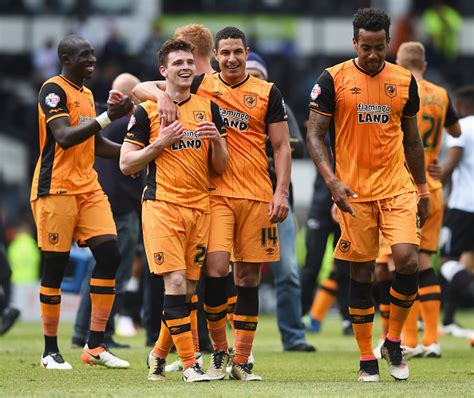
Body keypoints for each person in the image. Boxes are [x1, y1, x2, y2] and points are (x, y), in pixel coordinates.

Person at [133, 27, 291, 381]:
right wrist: (162, 99)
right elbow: (137, 86)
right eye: (226, 53)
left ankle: (242, 360)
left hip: (257, 194)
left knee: (249, 277)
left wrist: (281, 192)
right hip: (215, 194)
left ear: (247, 53)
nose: (232, 58)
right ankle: (219, 353)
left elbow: (281, 147)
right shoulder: (202, 86)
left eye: (238, 52)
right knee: (217, 271)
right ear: (216, 56)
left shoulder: (268, 92)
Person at [306, 8, 428, 382]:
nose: (373, 55)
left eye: (379, 48)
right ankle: (366, 358)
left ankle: (393, 341)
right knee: (360, 272)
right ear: (354, 43)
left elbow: (412, 139)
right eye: (365, 48)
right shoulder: (333, 79)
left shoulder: (404, 81)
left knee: (406, 261)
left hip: (396, 188)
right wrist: (332, 182)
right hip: (353, 193)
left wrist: (421, 187)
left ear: (388, 42)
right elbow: (314, 134)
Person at [120, 38, 228, 383]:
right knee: (176, 282)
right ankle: (190, 364)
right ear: (163, 71)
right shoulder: (147, 111)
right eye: (177, 63)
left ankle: (158, 355)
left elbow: (221, 168)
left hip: (200, 206)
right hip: (162, 204)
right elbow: (126, 163)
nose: (185, 67)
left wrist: (218, 141)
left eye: (189, 62)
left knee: (188, 292)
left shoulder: (207, 109)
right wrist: (159, 143)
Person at [30, 35, 133, 369]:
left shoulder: (87, 94)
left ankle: (95, 346)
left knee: (110, 253)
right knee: (55, 267)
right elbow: (63, 136)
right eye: (84, 55)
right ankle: (50, 351)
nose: (92, 60)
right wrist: (109, 116)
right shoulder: (53, 90)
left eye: (92, 55)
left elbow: (96, 143)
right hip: (55, 187)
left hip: (87, 186)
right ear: (65, 58)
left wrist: (140, 154)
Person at [395, 41, 461, 359]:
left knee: (404, 264)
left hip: (405, 187)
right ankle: (432, 340)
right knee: (426, 261)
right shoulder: (441, 94)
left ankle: (408, 339)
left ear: (399, 61)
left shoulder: (397, 89)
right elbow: (457, 131)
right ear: (423, 63)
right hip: (434, 187)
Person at [246, 51, 315, 352]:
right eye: (250, 75)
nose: (253, 80)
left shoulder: (278, 106)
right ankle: (218, 341)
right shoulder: (225, 105)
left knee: (287, 271)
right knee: (231, 272)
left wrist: (264, 141)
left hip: (279, 202)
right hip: (241, 198)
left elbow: (296, 147)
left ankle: (293, 337)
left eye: (258, 75)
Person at [71, 72, 143, 349]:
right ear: (131, 97)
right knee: (114, 274)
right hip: (120, 207)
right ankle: (100, 334)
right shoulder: (127, 122)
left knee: (101, 270)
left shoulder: (99, 120)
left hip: (102, 202)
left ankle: (83, 333)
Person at [438, 85, 474, 337]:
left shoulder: (463, 128)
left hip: (463, 207)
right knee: (467, 264)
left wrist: (428, 186)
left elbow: (450, 165)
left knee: (446, 262)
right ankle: (449, 320)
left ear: (460, 106)